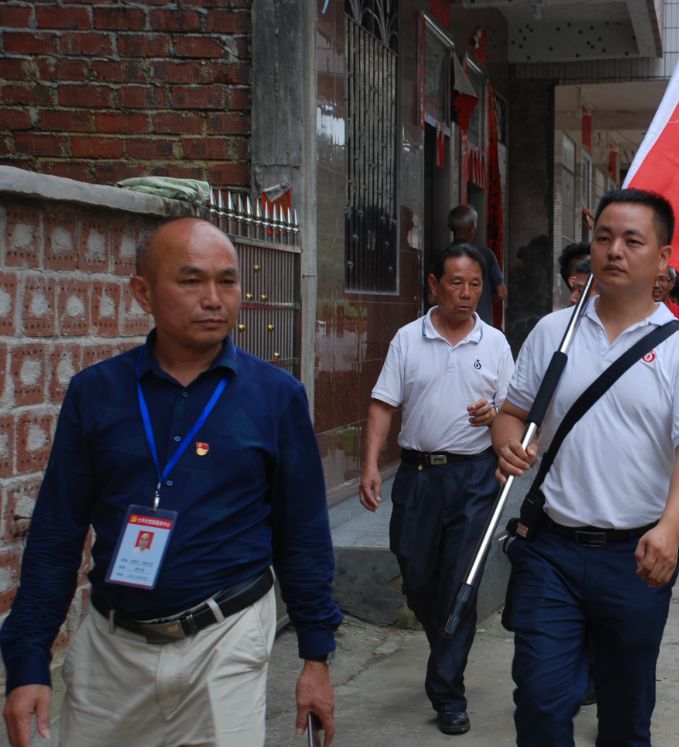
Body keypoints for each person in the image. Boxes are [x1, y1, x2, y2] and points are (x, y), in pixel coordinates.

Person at [0, 217, 342, 747]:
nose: (213, 299)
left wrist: (316, 657)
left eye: (226, 281)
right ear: (143, 292)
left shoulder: (275, 397)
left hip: (225, 640)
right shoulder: (96, 394)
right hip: (113, 648)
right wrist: (27, 663)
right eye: (190, 281)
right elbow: (55, 535)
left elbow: (303, 533)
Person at [495, 188, 679, 745]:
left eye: (632, 240)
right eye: (603, 238)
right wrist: (506, 443)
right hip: (551, 551)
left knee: (625, 713)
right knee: (542, 705)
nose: (614, 250)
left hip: (636, 558)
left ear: (663, 258)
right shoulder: (554, 332)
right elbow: (512, 412)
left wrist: (671, 529)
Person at [359, 242, 514, 736]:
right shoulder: (408, 338)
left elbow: (513, 414)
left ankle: (448, 691)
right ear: (433, 285)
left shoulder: (495, 344)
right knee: (418, 574)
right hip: (418, 478)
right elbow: (384, 404)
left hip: (474, 478)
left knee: (460, 586)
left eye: (475, 285)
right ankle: (440, 637)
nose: (467, 294)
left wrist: (495, 417)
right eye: (456, 283)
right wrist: (368, 466)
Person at [447, 205, 507, 326]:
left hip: (449, 328)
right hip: (481, 325)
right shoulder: (486, 255)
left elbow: (432, 297)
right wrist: (484, 297)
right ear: (472, 228)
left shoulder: (442, 257)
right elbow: (502, 293)